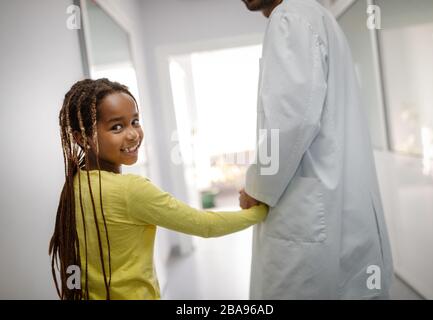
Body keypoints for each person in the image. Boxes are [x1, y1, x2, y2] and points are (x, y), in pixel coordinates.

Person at [49, 78, 268, 300]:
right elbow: (205, 226)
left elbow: (71, 262)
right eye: (117, 127)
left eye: (135, 121)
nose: (133, 134)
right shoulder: (131, 190)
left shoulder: (73, 186)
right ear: (82, 137)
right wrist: (261, 210)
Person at [239, 0, 394, 299]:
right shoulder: (317, 16)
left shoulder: (290, 16)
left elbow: (290, 122)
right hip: (340, 206)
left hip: (311, 216)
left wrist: (257, 187)